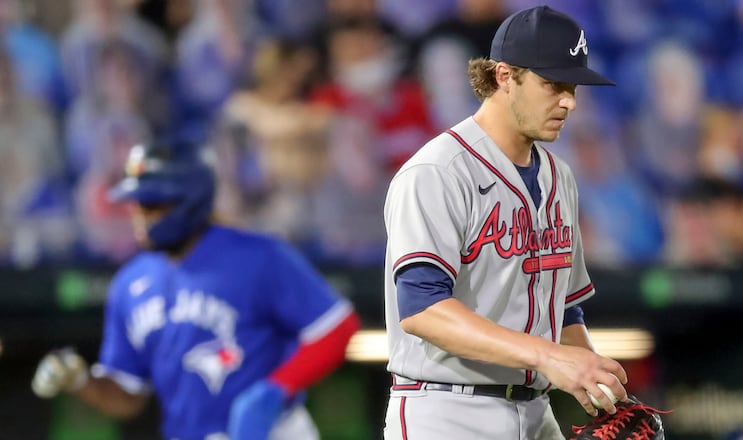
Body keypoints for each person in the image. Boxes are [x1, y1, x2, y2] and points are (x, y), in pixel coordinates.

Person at [382, 6, 629, 439]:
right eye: (553, 84)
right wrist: (548, 357)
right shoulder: (438, 171)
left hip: (537, 413)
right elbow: (423, 310)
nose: (568, 100)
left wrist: (595, 379)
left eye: (572, 86)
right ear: (504, 76)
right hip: (447, 409)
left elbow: (565, 306)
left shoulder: (560, 177)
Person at [31, 141, 361, 440]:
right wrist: (80, 380)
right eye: (136, 204)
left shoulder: (259, 256)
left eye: (152, 204)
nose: (139, 216)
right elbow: (128, 397)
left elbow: (337, 327)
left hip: (275, 432)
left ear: (190, 200)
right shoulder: (128, 285)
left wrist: (275, 389)